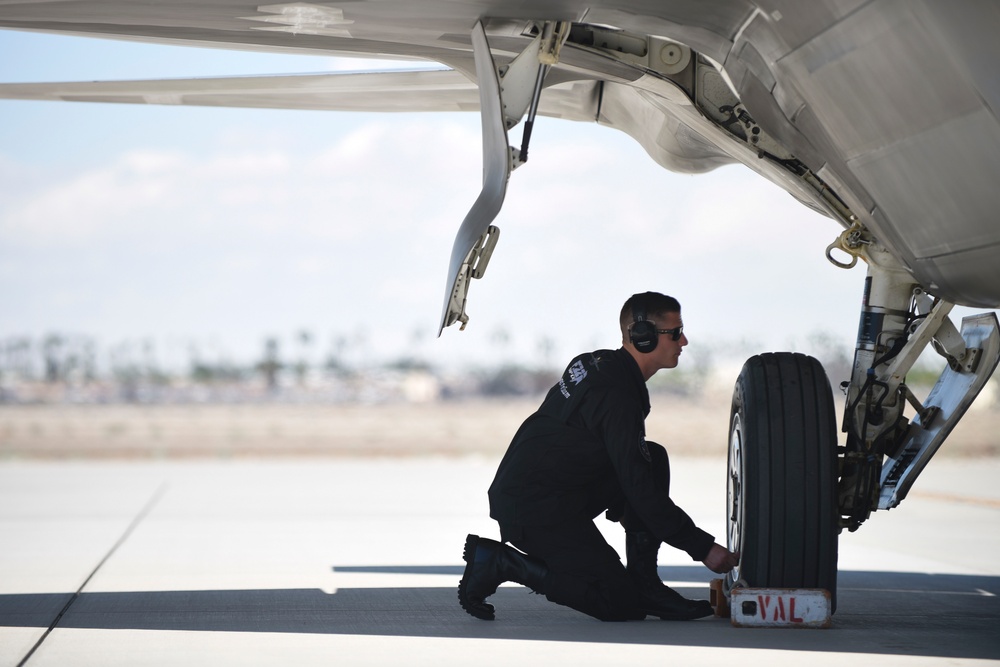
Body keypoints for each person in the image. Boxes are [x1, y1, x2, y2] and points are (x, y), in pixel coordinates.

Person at [458, 291, 739, 622]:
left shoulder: (600, 364)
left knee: (653, 458)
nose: (684, 340)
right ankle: (501, 562)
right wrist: (703, 548)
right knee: (620, 604)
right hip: (534, 509)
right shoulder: (616, 393)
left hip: (553, 491)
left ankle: (646, 585)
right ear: (643, 337)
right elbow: (639, 491)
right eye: (675, 332)